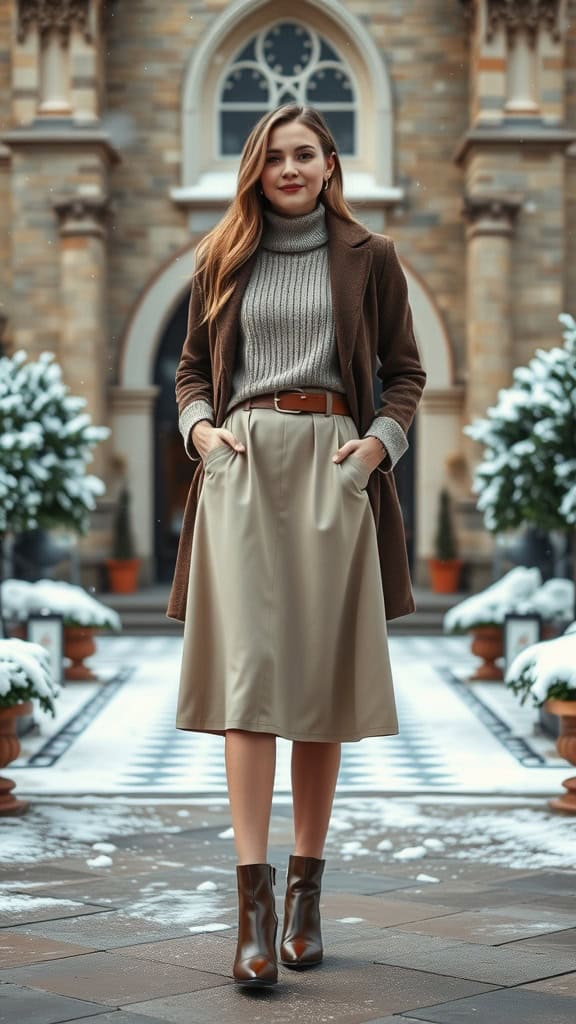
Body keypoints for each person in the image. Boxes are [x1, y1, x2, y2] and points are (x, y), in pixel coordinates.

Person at [168, 104, 426, 988]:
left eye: (304, 154)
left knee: (316, 682)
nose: (289, 168)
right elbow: (193, 371)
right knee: (250, 680)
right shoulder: (220, 255)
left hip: (333, 465)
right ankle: (253, 907)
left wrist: (375, 449)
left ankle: (308, 896)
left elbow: (404, 373)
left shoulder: (371, 257)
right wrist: (202, 433)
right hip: (241, 465)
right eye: (274, 155)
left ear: (328, 163)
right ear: (256, 164)